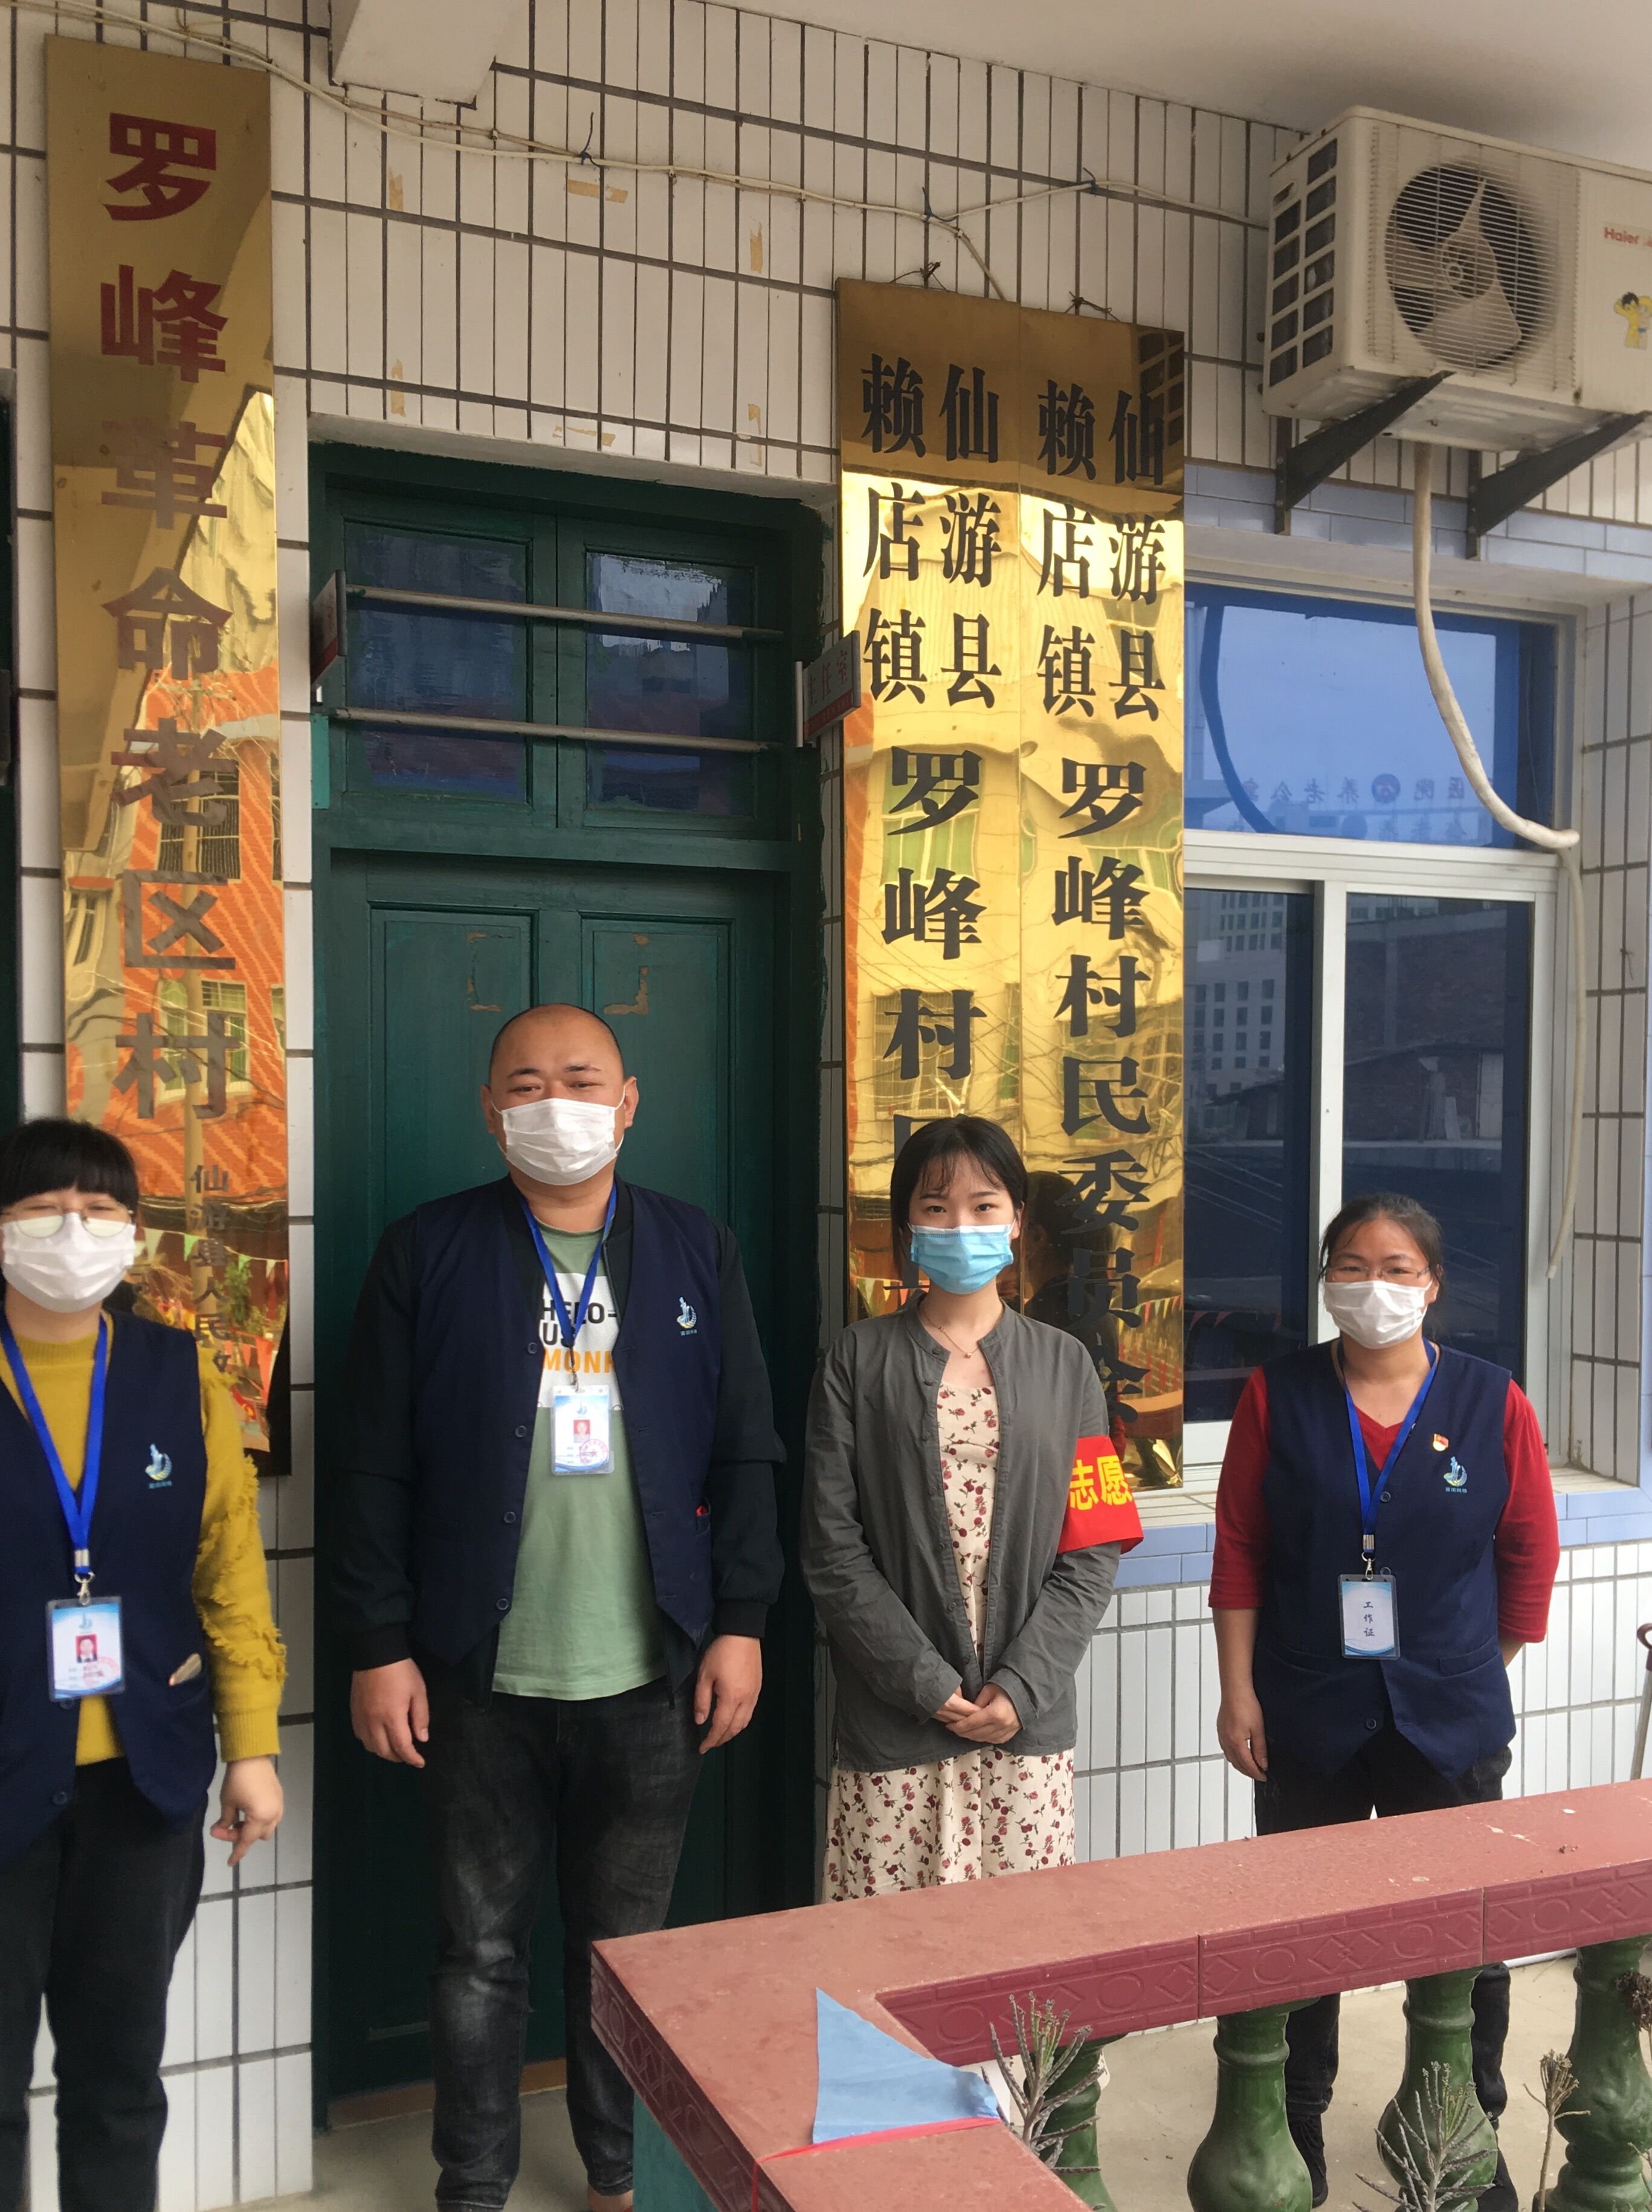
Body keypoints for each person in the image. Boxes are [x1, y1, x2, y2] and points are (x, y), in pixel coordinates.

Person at [334, 1003, 784, 2212]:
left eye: (580, 1081)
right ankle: (473, 2183)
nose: (555, 1105)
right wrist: (378, 1644)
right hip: (472, 1672)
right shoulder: (427, 1250)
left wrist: (741, 1620)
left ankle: (618, 2172)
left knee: (626, 1958)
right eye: (526, 1085)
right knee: (477, 1953)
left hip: (650, 1672)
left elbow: (745, 1446)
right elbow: (368, 1463)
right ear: (489, 1111)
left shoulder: (694, 1249)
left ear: (627, 1103)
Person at [1210, 1191, 1559, 2212]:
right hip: (1305, 1706)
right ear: (1325, 1282)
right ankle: (1290, 2126)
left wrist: (1469, 1667)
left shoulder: (1492, 1401)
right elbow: (1239, 1551)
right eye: (1351, 1267)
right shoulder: (1276, 1395)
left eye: (1396, 1268)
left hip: (1448, 1716)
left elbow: (1528, 1552)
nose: (1374, 1287)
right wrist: (1237, 1692)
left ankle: (1455, 2127)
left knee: (1463, 1932)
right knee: (1299, 1926)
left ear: (1432, 1285)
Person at [0, 1117, 285, 2212]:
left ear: (133, 1232)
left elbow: (228, 1570)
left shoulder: (179, 1371)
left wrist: (251, 1748)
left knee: (119, 2084)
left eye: (101, 1209)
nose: (74, 1231)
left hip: (142, 1783)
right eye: (43, 1209)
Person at [803, 1116, 1141, 1901]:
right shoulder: (857, 1358)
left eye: (984, 1206)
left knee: (1018, 1946)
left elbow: (1094, 1547)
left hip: (1025, 1724)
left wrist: (1022, 1686)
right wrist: (924, 1682)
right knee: (887, 1947)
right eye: (936, 1207)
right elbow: (830, 1546)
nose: (961, 1225)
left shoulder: (1067, 1366)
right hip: (896, 1722)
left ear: (1017, 1220)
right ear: (907, 1227)